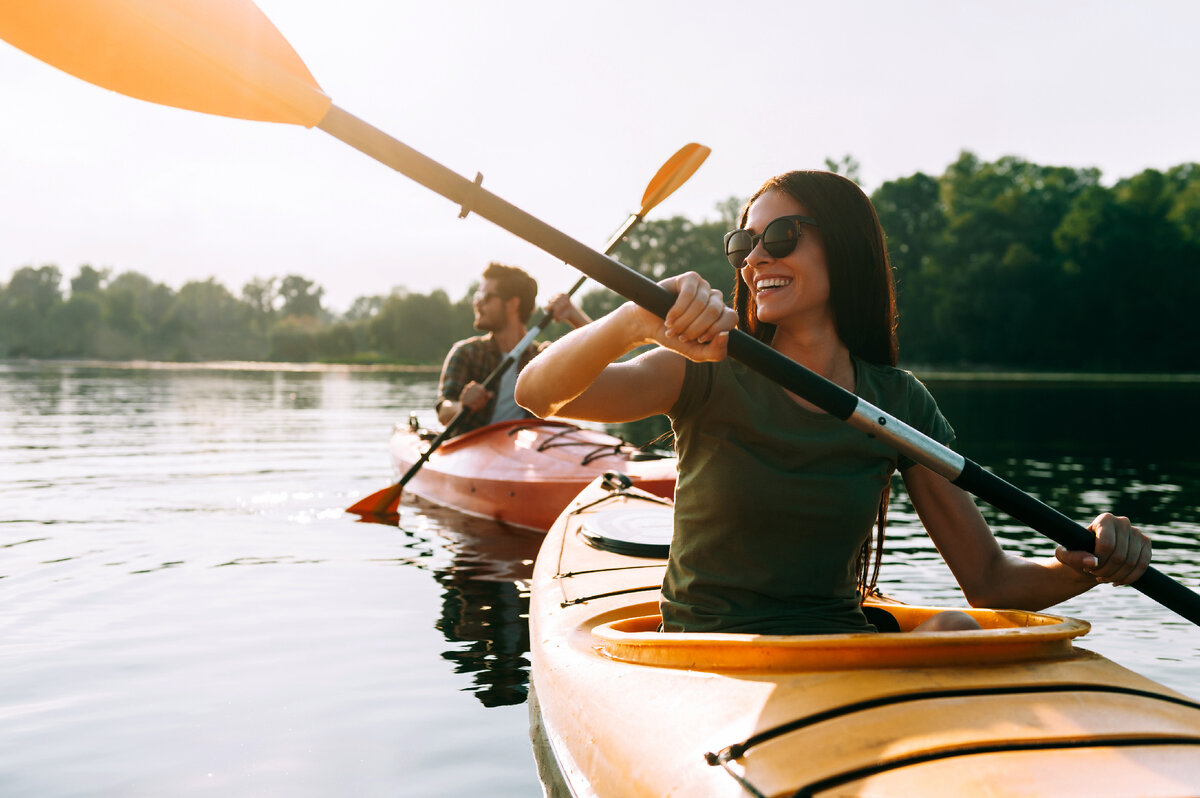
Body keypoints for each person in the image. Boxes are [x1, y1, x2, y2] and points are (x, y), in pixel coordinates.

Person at [515, 170, 1151, 635]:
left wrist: (1088, 563)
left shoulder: (898, 404)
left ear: (843, 247)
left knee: (955, 626)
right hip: (706, 653)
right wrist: (631, 320)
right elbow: (537, 393)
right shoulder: (705, 367)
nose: (757, 256)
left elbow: (988, 581)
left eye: (782, 235)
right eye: (745, 246)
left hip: (838, 649)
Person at [436, 262, 590, 435]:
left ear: (512, 304)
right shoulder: (466, 353)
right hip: (471, 449)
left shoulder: (543, 358)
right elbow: (443, 411)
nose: (477, 304)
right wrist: (462, 406)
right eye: (477, 296)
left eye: (485, 297)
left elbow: (601, 357)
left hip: (524, 452)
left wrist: (573, 314)